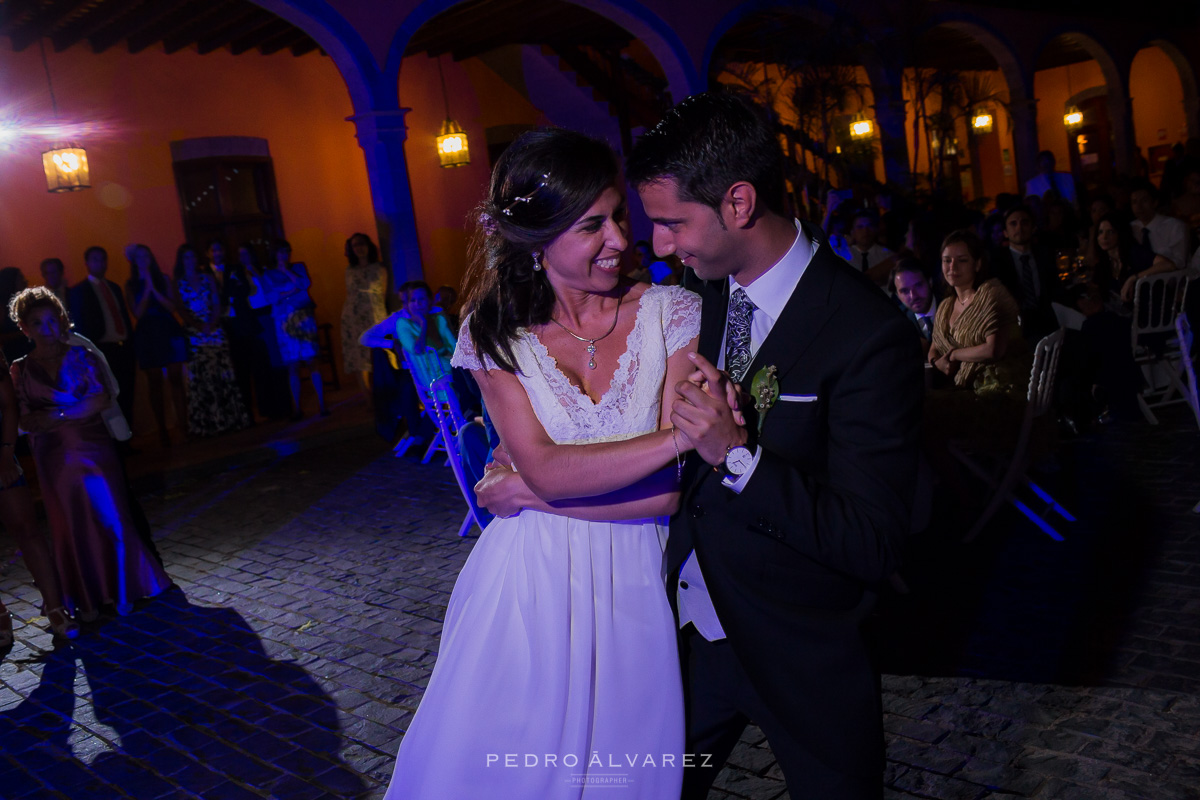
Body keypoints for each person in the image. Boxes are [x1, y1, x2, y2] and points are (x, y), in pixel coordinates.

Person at [383, 128, 701, 798]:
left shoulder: (672, 313)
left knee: (623, 771)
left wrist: (529, 493)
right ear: (537, 241)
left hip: (637, 581)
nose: (619, 238)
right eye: (592, 226)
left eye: (618, 216)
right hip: (527, 586)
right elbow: (549, 465)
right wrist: (679, 436)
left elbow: (676, 491)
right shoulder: (493, 333)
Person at [629, 91, 923, 799]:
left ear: (737, 203)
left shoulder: (867, 333)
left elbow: (873, 541)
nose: (661, 245)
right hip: (693, 636)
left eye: (672, 223)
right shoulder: (706, 300)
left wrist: (737, 454)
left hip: (803, 651)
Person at [10, 288, 171, 621]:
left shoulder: (81, 356)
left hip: (94, 450)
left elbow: (100, 399)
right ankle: (87, 597)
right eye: (37, 323)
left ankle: (126, 588)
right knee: (69, 524)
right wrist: (66, 412)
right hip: (52, 458)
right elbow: (23, 418)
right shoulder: (21, 370)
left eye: (52, 321)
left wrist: (56, 416)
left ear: (62, 320)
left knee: (111, 515)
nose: (47, 329)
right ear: (25, 328)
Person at [0, 348, 79, 642]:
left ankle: (55, 606)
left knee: (27, 529)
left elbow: (8, 405)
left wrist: (7, 452)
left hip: (0, 458)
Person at [173, 244, 251, 437]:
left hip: (214, 329)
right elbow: (181, 309)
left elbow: (217, 301)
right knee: (202, 377)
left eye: (192, 256)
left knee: (222, 373)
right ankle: (207, 423)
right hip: (194, 333)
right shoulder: (178, 282)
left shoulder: (207, 278)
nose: (190, 261)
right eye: (186, 258)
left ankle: (230, 418)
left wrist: (213, 322)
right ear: (181, 261)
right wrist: (199, 326)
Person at [253, 241, 328, 419]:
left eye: (286, 252)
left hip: (304, 318)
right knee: (292, 365)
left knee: (312, 361)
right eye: (280, 252)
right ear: (274, 254)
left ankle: (322, 405)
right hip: (283, 322)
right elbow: (272, 297)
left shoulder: (299, 268)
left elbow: (304, 284)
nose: (284, 256)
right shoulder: (268, 274)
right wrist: (291, 291)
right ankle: (297, 408)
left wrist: (287, 272)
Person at [125, 244, 189, 447]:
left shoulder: (164, 279)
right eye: (139, 256)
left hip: (168, 329)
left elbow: (172, 307)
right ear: (135, 261)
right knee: (155, 384)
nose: (144, 259)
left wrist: (155, 288)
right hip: (147, 333)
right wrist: (146, 289)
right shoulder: (131, 284)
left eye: (146, 255)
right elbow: (137, 313)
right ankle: (162, 429)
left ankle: (184, 426)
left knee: (176, 379)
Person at [68, 246, 137, 429]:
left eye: (102, 259)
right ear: (87, 263)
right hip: (102, 349)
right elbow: (81, 324)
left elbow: (123, 316)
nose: (100, 263)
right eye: (95, 259)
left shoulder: (114, 287)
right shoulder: (79, 291)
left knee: (127, 392)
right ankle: (114, 441)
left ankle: (126, 438)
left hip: (122, 346)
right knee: (107, 395)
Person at [208, 240, 259, 419]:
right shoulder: (204, 273)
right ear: (208, 253)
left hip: (238, 322)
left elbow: (245, 289)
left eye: (220, 249)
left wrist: (230, 294)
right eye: (214, 250)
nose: (217, 253)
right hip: (217, 325)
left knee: (244, 366)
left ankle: (248, 410)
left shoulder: (235, 269)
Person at [990, 205, 1058, 340]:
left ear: (1033, 228)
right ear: (1005, 232)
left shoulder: (1045, 255)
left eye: (1024, 222)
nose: (1019, 228)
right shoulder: (996, 261)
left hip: (1047, 321)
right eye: (1013, 224)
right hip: (1014, 324)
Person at [340, 233, 388, 394]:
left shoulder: (379, 268)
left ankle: (383, 394)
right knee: (359, 358)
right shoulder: (349, 270)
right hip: (353, 317)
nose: (359, 248)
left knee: (378, 355)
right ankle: (367, 397)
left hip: (374, 314)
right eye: (355, 245)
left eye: (362, 244)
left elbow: (383, 293)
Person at [1091, 212, 1176, 302]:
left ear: (1120, 233)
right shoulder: (1105, 261)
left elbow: (1168, 265)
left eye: (1110, 232)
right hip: (1123, 312)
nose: (1104, 237)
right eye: (1100, 232)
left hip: (1149, 307)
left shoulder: (1134, 252)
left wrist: (1134, 278)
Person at [1129, 179, 1188, 274]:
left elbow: (1180, 262)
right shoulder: (1130, 228)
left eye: (1144, 201)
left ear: (1155, 202)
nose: (1139, 206)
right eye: (1134, 202)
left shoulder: (1174, 226)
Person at [892, 259, 938, 353]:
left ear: (930, 282)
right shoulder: (898, 320)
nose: (913, 295)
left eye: (918, 286)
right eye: (905, 291)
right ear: (898, 296)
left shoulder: (953, 306)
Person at [846, 208, 896, 287]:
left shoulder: (887, 255)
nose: (865, 231)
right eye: (860, 227)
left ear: (875, 230)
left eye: (869, 226)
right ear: (853, 232)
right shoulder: (843, 256)